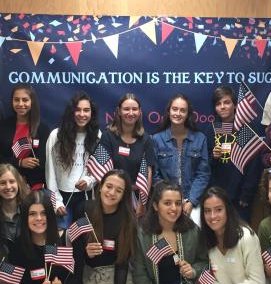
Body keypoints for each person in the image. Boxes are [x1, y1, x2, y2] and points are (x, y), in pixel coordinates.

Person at [75, 170, 138, 284]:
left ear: (124, 195)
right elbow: (70, 251)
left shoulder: (128, 220)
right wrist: (84, 253)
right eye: (109, 186)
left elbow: (123, 265)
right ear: (100, 186)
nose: (112, 193)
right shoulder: (84, 210)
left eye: (118, 190)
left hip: (120, 283)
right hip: (91, 282)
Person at [152, 94, 210, 224]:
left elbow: (203, 174)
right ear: (169, 111)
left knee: (196, 232)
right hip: (166, 199)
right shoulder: (156, 139)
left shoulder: (200, 139)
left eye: (182, 110)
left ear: (188, 114)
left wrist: (191, 201)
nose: (178, 113)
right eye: (175, 109)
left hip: (192, 199)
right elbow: (154, 176)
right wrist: (171, 200)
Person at [205, 86, 260, 222]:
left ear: (235, 105)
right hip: (217, 195)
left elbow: (253, 166)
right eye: (218, 104)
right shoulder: (213, 129)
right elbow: (205, 166)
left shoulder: (245, 129)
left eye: (227, 102)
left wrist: (247, 194)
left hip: (240, 196)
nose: (222, 107)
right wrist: (214, 157)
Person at [46, 91, 101, 227]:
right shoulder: (56, 135)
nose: (82, 114)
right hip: (61, 198)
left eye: (86, 110)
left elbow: (99, 169)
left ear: (91, 114)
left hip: (85, 198)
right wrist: (56, 201)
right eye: (78, 110)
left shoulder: (97, 136)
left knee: (81, 238)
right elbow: (50, 173)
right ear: (71, 112)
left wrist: (89, 181)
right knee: (61, 237)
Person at [99, 93, 155, 217]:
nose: (130, 113)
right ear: (119, 111)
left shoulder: (146, 139)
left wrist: (142, 202)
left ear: (140, 112)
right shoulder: (108, 136)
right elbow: (102, 171)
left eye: (134, 109)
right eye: (126, 109)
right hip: (112, 195)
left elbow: (148, 173)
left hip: (136, 197)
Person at [0, 83, 50, 190]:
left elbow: (44, 161)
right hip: (8, 184)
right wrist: (19, 163)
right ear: (12, 101)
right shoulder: (2, 126)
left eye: (25, 100)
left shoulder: (42, 128)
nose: (20, 104)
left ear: (32, 102)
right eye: (16, 100)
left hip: (34, 185)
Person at [0, 163, 30, 248]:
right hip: (1, 259)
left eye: (12, 181)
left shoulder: (31, 209)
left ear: (18, 183)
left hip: (30, 259)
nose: (8, 186)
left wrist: (52, 260)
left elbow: (48, 238)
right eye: (2, 183)